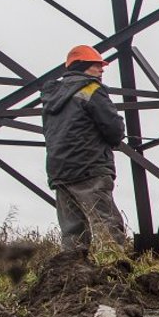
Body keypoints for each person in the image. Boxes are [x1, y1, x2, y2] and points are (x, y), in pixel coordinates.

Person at [40, 45, 127, 254]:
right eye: (97, 65)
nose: (102, 70)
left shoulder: (51, 97)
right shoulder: (91, 89)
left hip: (59, 171)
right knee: (106, 225)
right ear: (84, 67)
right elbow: (114, 129)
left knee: (72, 232)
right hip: (89, 168)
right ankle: (114, 271)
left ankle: (71, 276)